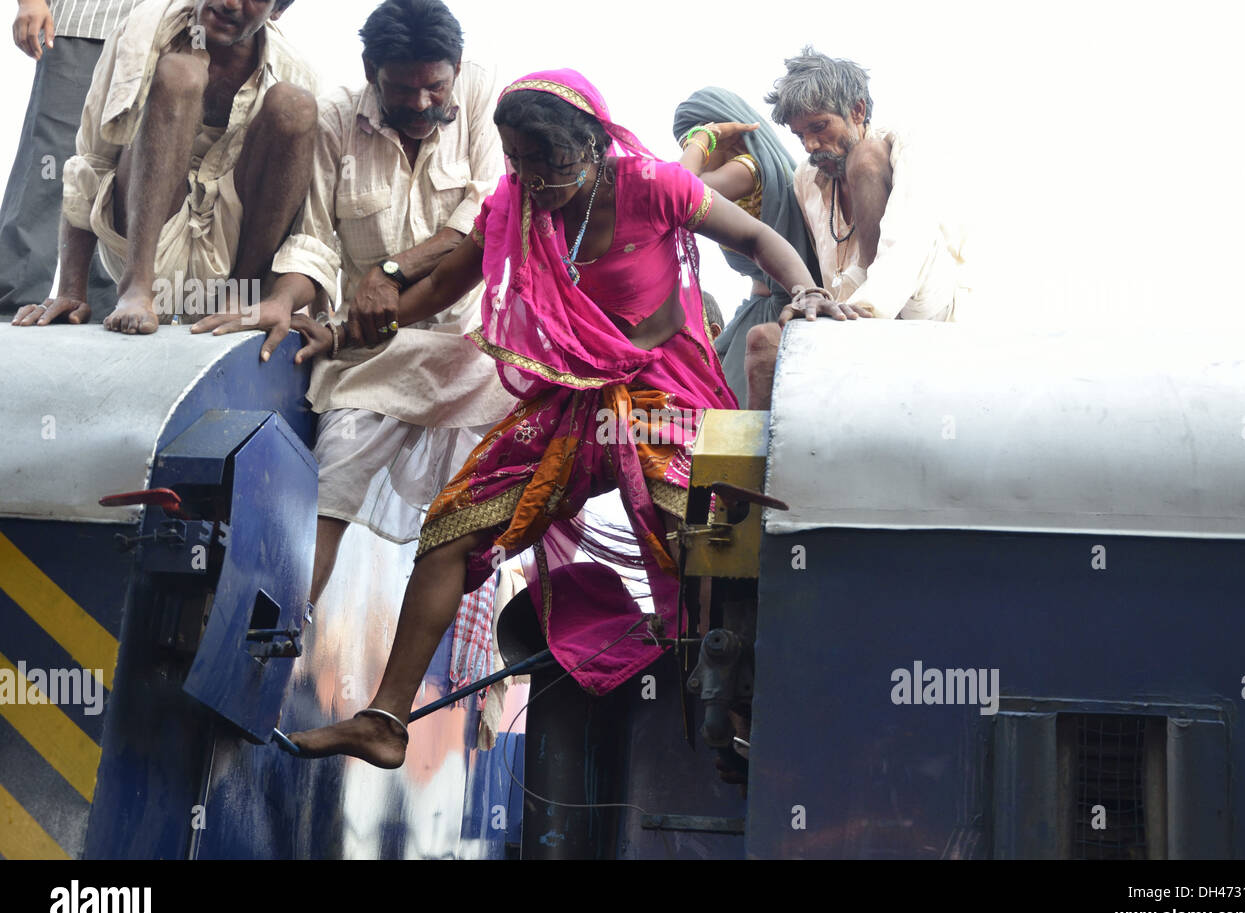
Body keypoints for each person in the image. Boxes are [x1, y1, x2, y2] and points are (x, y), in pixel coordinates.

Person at [285, 69, 855, 768]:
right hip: (570, 397)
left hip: (662, 391)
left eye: (545, 161)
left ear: (588, 144)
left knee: (697, 529)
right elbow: (439, 285)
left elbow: (759, 239)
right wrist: (342, 334)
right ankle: (383, 721)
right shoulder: (515, 203)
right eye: (517, 161)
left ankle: (739, 715)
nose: (531, 178)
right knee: (452, 527)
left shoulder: (653, 184)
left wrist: (808, 294)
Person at [191, 0, 514, 608]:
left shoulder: (481, 94)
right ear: (370, 70)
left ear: (457, 69)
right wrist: (281, 301)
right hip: (369, 350)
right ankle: (279, 635)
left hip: (472, 351)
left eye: (434, 87)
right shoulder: (336, 119)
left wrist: (388, 272)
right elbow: (312, 240)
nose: (421, 103)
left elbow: (484, 217)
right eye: (402, 89)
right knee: (330, 484)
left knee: (474, 525)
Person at [12, 0, 318, 333]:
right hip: (145, 238)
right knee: (180, 73)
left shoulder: (293, 70)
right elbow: (92, 160)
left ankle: (239, 299)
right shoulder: (142, 32)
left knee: (295, 105)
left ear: (277, 10)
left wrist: (303, 309)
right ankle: (137, 288)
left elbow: (311, 221)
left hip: (232, 256)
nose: (229, 3)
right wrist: (71, 290)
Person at [746, 47, 964, 409]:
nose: (811, 145)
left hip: (921, 309)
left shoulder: (905, 143)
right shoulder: (806, 178)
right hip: (848, 318)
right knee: (764, 342)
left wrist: (861, 314)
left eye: (819, 127)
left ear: (857, 111)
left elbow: (908, 247)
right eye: (801, 135)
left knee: (865, 157)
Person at [672, 87, 821, 408]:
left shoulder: (746, 168)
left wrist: (700, 141)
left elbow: (677, 191)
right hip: (756, 307)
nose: (694, 153)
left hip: (771, 313)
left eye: (696, 143)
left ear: (725, 136)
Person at [1, 0, 143, 320]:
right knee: (49, 169)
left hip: (168, 30)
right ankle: (9, 308)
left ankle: (103, 311)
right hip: (85, 23)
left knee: (127, 178)